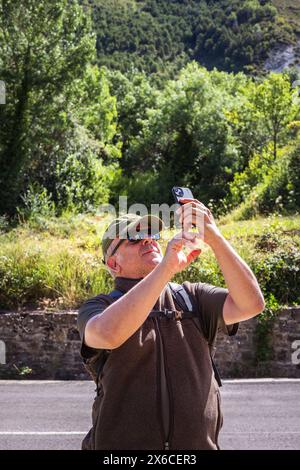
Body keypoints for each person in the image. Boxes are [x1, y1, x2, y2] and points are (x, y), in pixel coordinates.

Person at [77, 198, 265, 450]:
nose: (148, 240)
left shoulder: (192, 297)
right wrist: (165, 269)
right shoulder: (98, 307)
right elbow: (108, 334)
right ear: (113, 263)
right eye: (134, 237)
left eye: (151, 234)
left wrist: (215, 237)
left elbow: (251, 304)